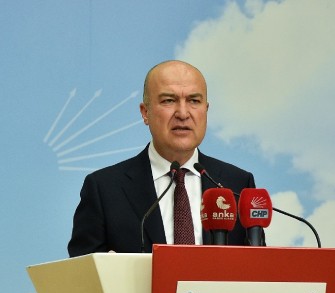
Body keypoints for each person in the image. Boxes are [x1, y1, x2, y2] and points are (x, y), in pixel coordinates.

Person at [68, 60, 257, 256]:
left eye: (194, 101)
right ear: (145, 112)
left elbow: (256, 267)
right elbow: (82, 271)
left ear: (206, 110)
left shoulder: (238, 185)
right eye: (168, 100)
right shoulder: (104, 189)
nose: (183, 113)